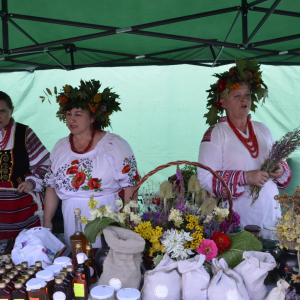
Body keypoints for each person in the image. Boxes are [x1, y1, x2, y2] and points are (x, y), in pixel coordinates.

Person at [43, 80, 141, 247]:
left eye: (78, 114)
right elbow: (51, 185)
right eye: (68, 114)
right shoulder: (60, 146)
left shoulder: (114, 144)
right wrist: (47, 221)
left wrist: (129, 222)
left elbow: (131, 185)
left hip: (105, 217)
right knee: (78, 263)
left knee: (105, 262)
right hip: (71, 217)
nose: (71, 119)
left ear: (93, 118)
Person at [197, 59, 291, 230]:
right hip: (240, 215)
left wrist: (280, 169)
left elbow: (282, 162)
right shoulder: (216, 133)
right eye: (237, 95)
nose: (244, 99)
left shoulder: (262, 128)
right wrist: (247, 177)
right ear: (223, 102)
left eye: (247, 95)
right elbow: (206, 178)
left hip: (271, 211)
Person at [0, 91, 50, 239]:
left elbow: (45, 164)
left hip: (21, 204)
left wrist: (31, 182)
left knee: (26, 247)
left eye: (2, 111)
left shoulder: (24, 133)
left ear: (11, 110)